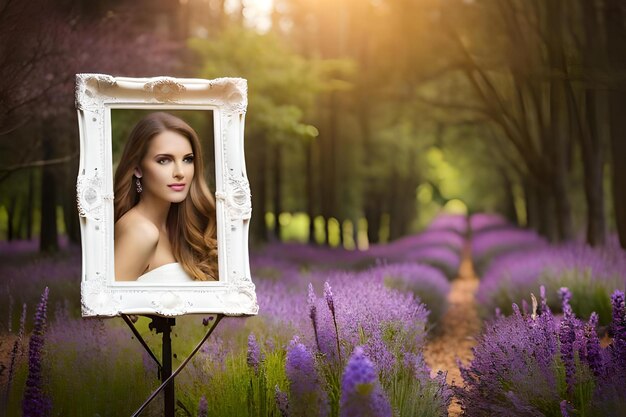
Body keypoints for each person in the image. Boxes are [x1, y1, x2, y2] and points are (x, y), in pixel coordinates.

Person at [113, 112, 218, 282]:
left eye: (188, 159)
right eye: (164, 160)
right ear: (137, 168)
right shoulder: (140, 232)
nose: (180, 173)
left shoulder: (177, 229)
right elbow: (105, 307)